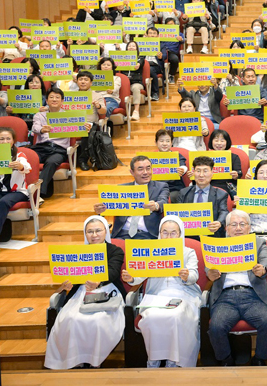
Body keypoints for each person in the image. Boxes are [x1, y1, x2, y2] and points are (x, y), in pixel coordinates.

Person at [44, 215, 125, 369]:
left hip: (107, 290)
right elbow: (71, 276)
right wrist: (65, 284)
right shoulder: (77, 252)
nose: (94, 235)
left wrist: (98, 282)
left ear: (106, 232)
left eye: (98, 231)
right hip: (81, 291)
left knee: (97, 321)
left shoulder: (115, 250)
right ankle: (74, 361)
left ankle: (94, 361)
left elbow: (113, 271)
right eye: (90, 231)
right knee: (71, 319)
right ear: (85, 234)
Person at [121, 216, 202, 368]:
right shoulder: (152, 251)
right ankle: (154, 360)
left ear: (180, 234)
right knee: (151, 317)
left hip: (183, 294)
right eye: (165, 232)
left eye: (173, 233)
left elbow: (194, 275)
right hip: (157, 296)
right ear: (159, 233)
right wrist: (131, 278)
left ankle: (174, 362)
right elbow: (139, 274)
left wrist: (186, 276)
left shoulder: (188, 252)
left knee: (176, 316)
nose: (169, 236)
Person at [206, 209, 267, 366]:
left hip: (253, 296)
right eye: (234, 224)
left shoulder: (258, 243)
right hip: (225, 297)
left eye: (242, 224)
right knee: (216, 327)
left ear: (249, 227)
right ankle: (226, 359)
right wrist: (210, 273)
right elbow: (208, 266)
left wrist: (263, 268)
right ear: (226, 228)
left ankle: (259, 358)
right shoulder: (218, 244)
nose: (238, 228)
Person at [31, 88, 91, 198]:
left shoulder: (69, 116)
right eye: (51, 97)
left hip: (58, 150)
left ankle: (37, 194)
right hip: (41, 147)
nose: (54, 99)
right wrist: (42, 130)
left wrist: (85, 127)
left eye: (57, 97)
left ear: (62, 101)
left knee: (52, 162)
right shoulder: (39, 115)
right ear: (47, 101)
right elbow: (35, 127)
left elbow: (81, 127)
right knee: (27, 160)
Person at [94, 155, 169, 240]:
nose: (145, 172)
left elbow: (163, 202)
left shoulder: (161, 187)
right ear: (132, 172)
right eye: (140, 169)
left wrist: (156, 206)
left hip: (148, 235)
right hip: (122, 235)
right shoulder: (121, 189)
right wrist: (100, 211)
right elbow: (109, 208)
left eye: (148, 168)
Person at [0, 127, 31, 251]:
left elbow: (27, 167)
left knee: (3, 203)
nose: (5, 141)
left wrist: (20, 166)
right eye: (1, 139)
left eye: (8, 138)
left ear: (13, 141)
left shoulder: (19, 155)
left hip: (17, 191)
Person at [175, 156, 227, 237]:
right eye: (198, 171)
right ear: (193, 172)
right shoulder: (184, 192)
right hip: (189, 236)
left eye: (205, 171)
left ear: (212, 173)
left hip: (212, 235)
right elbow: (178, 214)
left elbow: (224, 211)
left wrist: (219, 222)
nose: (201, 175)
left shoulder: (221, 194)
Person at [154, 129, 189, 203]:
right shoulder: (151, 158)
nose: (164, 144)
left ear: (171, 143)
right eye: (161, 141)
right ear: (156, 143)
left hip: (174, 188)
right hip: (157, 188)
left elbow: (183, 165)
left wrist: (182, 169)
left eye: (167, 141)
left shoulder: (176, 155)